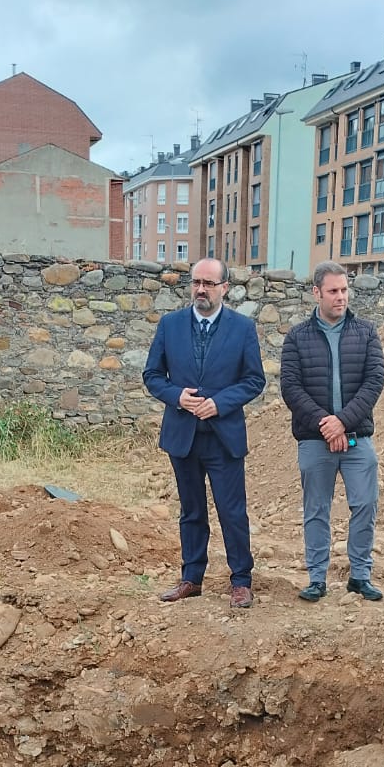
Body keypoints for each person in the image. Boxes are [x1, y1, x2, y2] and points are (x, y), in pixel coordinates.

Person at [142, 257, 267, 609]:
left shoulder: (242, 328)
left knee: (232, 511)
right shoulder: (170, 325)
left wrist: (219, 403)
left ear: (224, 288)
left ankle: (241, 581)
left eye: (209, 283)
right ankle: (191, 578)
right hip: (183, 435)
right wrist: (177, 397)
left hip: (222, 435)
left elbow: (255, 380)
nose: (201, 289)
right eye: (196, 282)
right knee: (192, 510)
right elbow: (152, 375)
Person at [279, 261, 384, 601]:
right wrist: (327, 424)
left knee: (365, 504)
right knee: (316, 509)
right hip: (314, 439)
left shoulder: (367, 332)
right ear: (316, 293)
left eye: (344, 290)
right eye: (333, 291)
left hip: (357, 437)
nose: (341, 297)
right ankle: (316, 578)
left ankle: (360, 575)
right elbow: (291, 388)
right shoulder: (297, 336)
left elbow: (374, 382)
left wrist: (343, 421)